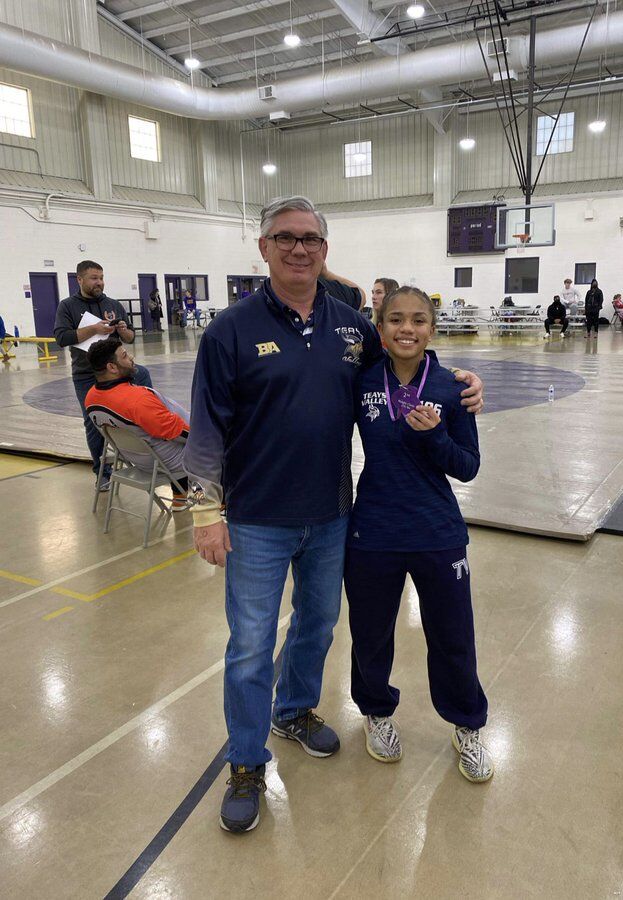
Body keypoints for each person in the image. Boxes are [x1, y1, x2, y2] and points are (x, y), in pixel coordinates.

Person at [183, 195, 484, 835]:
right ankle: (246, 763)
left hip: (332, 516)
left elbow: (404, 363)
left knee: (317, 627)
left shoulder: (352, 328)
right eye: (285, 238)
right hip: (256, 517)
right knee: (250, 646)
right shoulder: (229, 330)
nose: (298, 249)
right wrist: (206, 510)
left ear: (325, 250)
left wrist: (460, 382)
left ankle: (293, 710)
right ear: (264, 247)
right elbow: (206, 426)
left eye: (310, 239)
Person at [345, 286, 492, 782]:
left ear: (432, 328)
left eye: (418, 320)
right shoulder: (361, 380)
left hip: (437, 531)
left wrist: (435, 437)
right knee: (370, 633)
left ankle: (467, 724)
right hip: (374, 531)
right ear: (380, 327)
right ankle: (376, 712)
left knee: (453, 636)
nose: (406, 328)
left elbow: (468, 467)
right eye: (395, 319)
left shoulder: (453, 387)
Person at [54, 260, 152, 490]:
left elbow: (130, 338)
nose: (99, 282)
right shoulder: (67, 306)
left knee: (143, 378)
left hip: (118, 372)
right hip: (87, 374)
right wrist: (94, 329)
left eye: (101, 277)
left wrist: (123, 331)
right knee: (93, 423)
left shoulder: (113, 304)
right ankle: (102, 472)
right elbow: (62, 338)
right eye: (93, 278)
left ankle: (149, 452)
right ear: (80, 279)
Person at [84, 338, 190, 510]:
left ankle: (180, 496)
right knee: (221, 443)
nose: (131, 358)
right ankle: (222, 501)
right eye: (125, 356)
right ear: (112, 367)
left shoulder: (91, 397)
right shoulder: (137, 400)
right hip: (167, 462)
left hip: (140, 459)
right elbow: (179, 432)